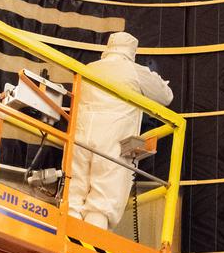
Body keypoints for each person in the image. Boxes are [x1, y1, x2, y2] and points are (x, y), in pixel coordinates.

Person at [68, 31, 173, 231]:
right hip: (112, 141)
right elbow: (166, 96)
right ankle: (89, 244)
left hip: (80, 136)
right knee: (102, 201)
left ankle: (66, 241)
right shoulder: (134, 70)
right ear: (132, 51)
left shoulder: (88, 68)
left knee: (74, 191)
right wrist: (153, 75)